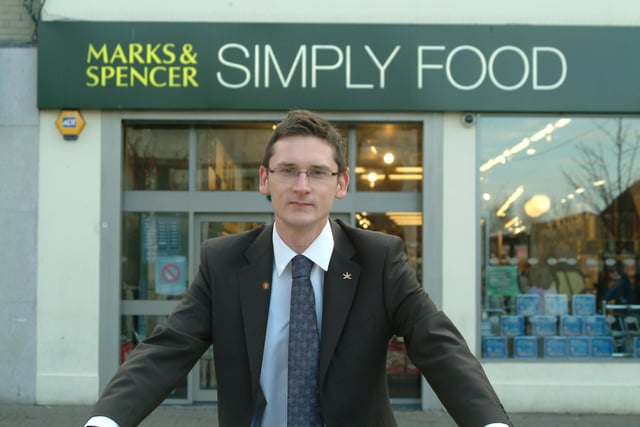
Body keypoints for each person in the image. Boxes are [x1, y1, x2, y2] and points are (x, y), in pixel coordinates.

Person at [85, 110, 511, 427]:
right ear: (264, 181)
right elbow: (167, 348)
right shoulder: (225, 261)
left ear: (341, 184)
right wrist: (105, 421)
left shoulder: (379, 258)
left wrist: (489, 422)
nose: (302, 185)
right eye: (288, 170)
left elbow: (437, 344)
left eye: (318, 172)